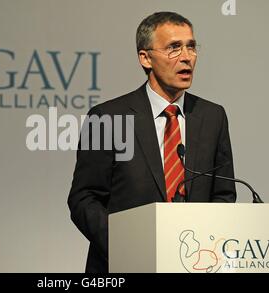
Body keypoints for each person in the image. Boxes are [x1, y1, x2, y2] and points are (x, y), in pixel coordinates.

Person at [68, 11, 236, 273]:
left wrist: (202, 249)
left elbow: (223, 195)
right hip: (124, 266)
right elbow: (84, 198)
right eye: (173, 48)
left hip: (191, 264)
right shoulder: (109, 117)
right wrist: (127, 246)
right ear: (145, 58)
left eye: (191, 46)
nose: (186, 57)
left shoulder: (212, 116)